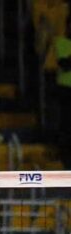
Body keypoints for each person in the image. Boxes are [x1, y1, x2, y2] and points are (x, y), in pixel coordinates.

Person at [55, 15, 71, 169]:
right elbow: (64, 63)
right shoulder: (61, 42)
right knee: (66, 125)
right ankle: (65, 159)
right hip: (66, 90)